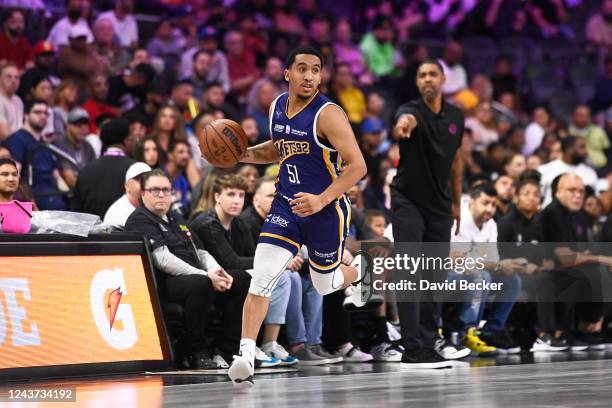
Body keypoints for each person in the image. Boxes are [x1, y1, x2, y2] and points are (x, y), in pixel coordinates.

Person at [227, 46, 370, 387]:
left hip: (326, 210)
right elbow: (277, 148)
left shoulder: (329, 114)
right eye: (302, 69)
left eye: (316, 70)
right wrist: (242, 154)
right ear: (287, 73)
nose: (309, 76)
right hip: (285, 207)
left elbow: (358, 166)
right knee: (261, 277)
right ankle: (245, 355)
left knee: (325, 283)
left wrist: (321, 199)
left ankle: (361, 271)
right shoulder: (277, 105)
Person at [390, 59, 464, 368]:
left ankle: (430, 336)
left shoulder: (456, 116)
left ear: (443, 79)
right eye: (422, 75)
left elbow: (456, 159)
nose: (427, 79)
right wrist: (403, 126)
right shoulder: (411, 111)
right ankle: (412, 347)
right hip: (407, 200)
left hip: (440, 204)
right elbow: (405, 120)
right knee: (410, 270)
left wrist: (457, 202)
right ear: (418, 82)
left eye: (432, 74)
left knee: (435, 275)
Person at [124, 169, 234, 369]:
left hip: (194, 276)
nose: (161, 195)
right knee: (201, 284)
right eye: (155, 190)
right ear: (143, 194)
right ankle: (196, 351)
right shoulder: (139, 220)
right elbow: (163, 260)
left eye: (166, 190)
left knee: (240, 279)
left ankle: (229, 351)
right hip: (163, 283)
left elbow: (200, 251)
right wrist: (206, 275)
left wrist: (217, 271)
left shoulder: (175, 217)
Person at [71, 118, 135, 217]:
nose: (135, 140)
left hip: (90, 230)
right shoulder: (135, 170)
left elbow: (76, 211)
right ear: (126, 141)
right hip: (125, 230)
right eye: (132, 137)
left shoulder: (86, 170)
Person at [103, 161, 150, 228]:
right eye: (140, 180)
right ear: (127, 185)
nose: (145, 184)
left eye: (148, 180)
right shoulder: (117, 214)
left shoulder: (152, 207)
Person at [0, 63, 23, 141]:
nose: (13, 80)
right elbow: (4, 134)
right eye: (9, 77)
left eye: (17, 77)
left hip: (17, 143)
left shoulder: (18, 100)